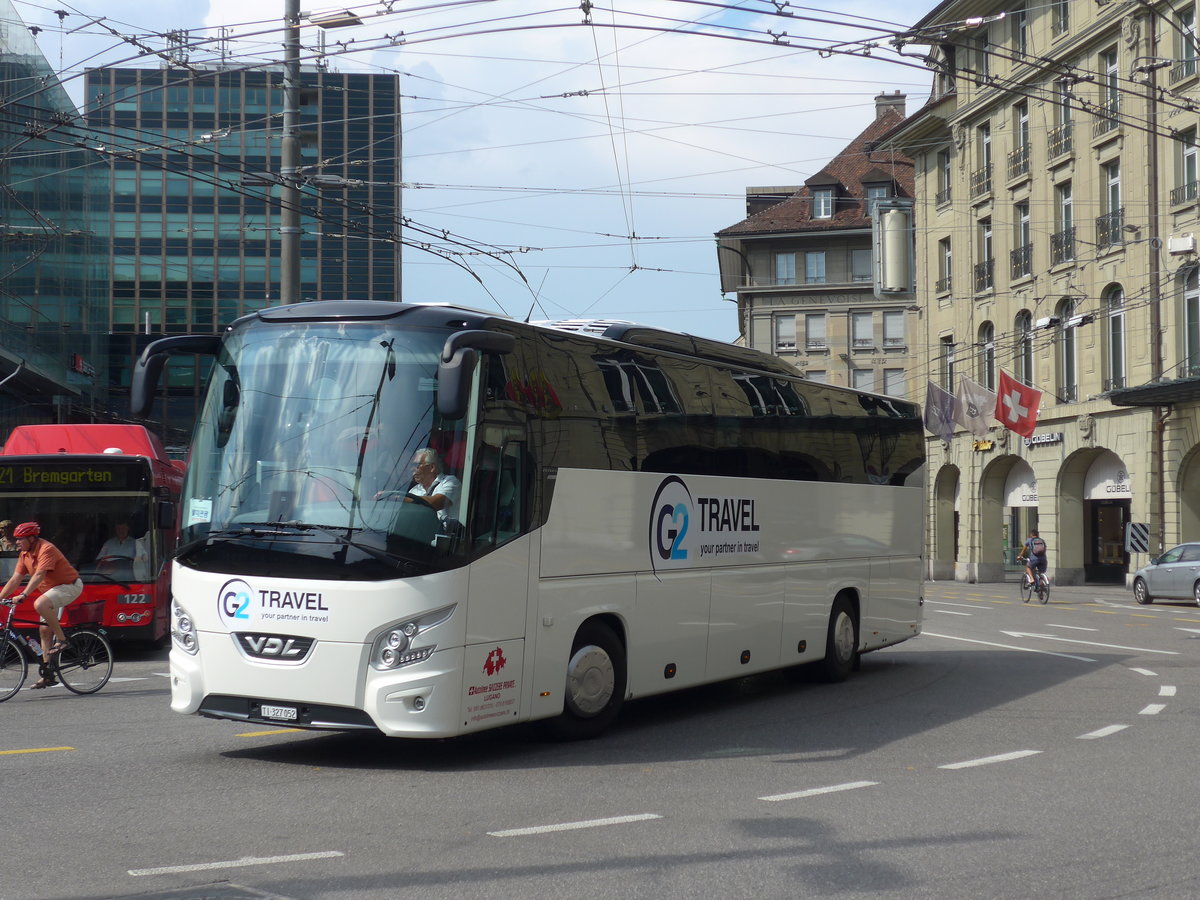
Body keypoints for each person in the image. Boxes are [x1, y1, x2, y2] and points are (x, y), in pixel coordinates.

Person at [0, 522, 83, 689]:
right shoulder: (24, 554)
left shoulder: (46, 549)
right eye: (16, 539)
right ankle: (48, 674)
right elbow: (15, 579)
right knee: (44, 631)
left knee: (40, 604)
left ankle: (63, 640)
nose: (16, 542)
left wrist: (24, 595)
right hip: (53, 590)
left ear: (32, 538)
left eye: (20, 539)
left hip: (70, 586)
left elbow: (39, 575)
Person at [389, 448, 461, 524]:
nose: (411, 469)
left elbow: (435, 503)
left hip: (446, 534)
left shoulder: (450, 482)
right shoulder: (414, 491)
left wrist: (399, 499)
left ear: (432, 467)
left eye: (416, 465)